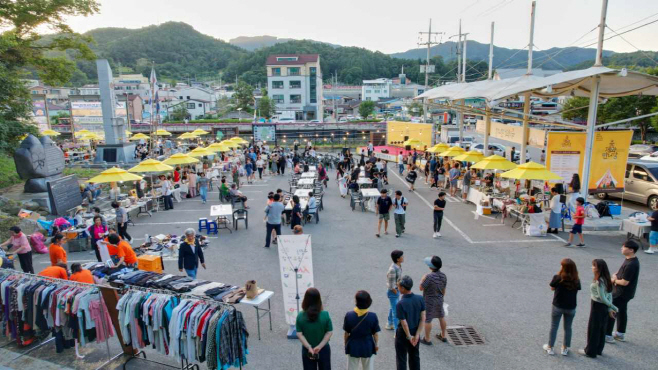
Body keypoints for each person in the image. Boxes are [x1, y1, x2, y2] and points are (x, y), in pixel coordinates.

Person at [579, 259, 617, 358]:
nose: (592, 268)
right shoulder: (607, 278)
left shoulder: (598, 281)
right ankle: (599, 349)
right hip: (604, 307)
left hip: (597, 305)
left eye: (593, 266)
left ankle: (590, 351)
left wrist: (613, 307)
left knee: (593, 328)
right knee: (601, 328)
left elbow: (602, 298)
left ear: (598, 268)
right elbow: (609, 295)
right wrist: (609, 308)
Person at [543, 258, 581, 356]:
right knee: (568, 327)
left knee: (554, 326)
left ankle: (550, 347)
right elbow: (577, 289)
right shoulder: (576, 279)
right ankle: (565, 348)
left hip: (558, 306)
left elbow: (552, 287)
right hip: (571, 307)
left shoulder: (558, 277)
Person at [606, 240, 640, 343]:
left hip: (621, 292)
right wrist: (616, 275)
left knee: (612, 310)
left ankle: (607, 335)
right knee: (622, 311)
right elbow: (620, 272)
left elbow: (625, 282)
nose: (621, 248)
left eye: (624, 247)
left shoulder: (631, 265)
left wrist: (614, 280)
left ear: (631, 250)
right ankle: (620, 333)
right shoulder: (630, 260)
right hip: (626, 293)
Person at [296, 288, 333, 370]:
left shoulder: (300, 316)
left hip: (307, 350)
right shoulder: (325, 315)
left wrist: (309, 347)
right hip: (323, 349)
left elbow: (299, 334)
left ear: (305, 300)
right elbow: (329, 332)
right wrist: (319, 347)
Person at [394, 276, 425, 370]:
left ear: (403, 288)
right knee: (414, 356)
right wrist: (417, 335)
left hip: (403, 334)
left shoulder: (401, 303)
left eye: (398, 286)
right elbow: (423, 318)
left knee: (401, 358)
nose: (397, 288)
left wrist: (409, 336)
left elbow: (404, 323)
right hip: (416, 330)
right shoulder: (420, 298)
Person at [344, 290, 380, 370]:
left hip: (353, 346)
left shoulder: (349, 315)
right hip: (367, 346)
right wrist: (376, 345)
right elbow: (375, 334)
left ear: (356, 302)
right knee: (368, 368)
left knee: (352, 367)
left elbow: (346, 333)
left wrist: (346, 344)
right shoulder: (372, 316)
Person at [419, 256, 447, 345]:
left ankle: (427, 339)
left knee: (428, 319)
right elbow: (443, 291)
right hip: (439, 299)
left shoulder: (429, 277)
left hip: (429, 300)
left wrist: (422, 278)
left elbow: (421, 288)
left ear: (431, 267)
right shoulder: (443, 276)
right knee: (441, 316)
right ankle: (443, 335)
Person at [386, 250, 404, 330]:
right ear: (397, 259)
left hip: (397, 291)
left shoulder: (398, 265)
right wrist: (396, 292)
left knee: (393, 308)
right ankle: (397, 332)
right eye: (402, 256)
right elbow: (391, 285)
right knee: (396, 312)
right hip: (393, 292)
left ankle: (389, 324)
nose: (403, 257)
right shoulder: (393, 269)